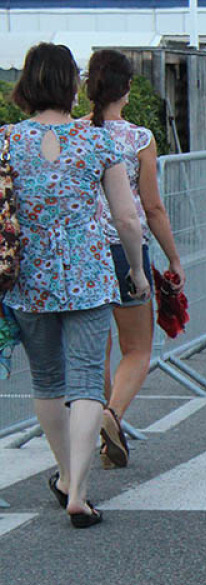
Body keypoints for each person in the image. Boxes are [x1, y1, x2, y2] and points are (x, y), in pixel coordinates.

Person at [2, 43, 146, 527]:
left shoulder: (6, 141)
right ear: (72, 85)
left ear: (26, 84)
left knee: (46, 381)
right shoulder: (98, 142)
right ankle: (79, 492)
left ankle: (65, 473)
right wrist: (138, 271)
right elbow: (126, 216)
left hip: (29, 278)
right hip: (87, 272)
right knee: (86, 382)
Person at [83, 48, 186, 469]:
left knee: (98, 349)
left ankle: (107, 441)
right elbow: (152, 206)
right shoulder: (139, 139)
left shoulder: (74, 134)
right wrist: (173, 258)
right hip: (126, 251)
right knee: (138, 350)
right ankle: (111, 417)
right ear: (126, 88)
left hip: (83, 252)